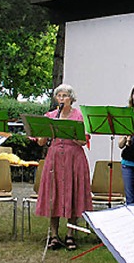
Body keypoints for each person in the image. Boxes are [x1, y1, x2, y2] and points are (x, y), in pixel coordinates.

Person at [35, 84, 92, 251]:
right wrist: (47, 130)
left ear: (71, 99)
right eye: (59, 96)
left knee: (72, 194)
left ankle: (70, 235)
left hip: (74, 157)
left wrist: (68, 131)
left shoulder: (79, 116)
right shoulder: (50, 116)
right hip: (54, 158)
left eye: (65, 96)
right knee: (55, 194)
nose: (61, 99)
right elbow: (41, 142)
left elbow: (83, 141)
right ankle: (53, 235)